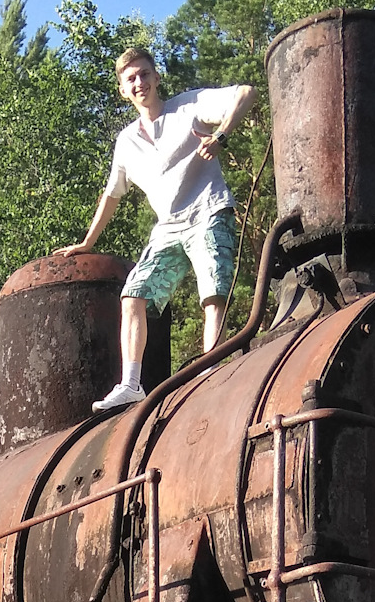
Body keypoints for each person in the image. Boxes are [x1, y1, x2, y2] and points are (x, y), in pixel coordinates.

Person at [57, 46, 257, 412]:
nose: (139, 83)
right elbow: (112, 194)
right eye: (130, 79)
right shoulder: (126, 142)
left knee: (212, 292)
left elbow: (245, 92)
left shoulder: (189, 107)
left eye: (144, 74)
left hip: (208, 211)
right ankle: (131, 384)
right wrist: (88, 241)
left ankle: (209, 369)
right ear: (122, 89)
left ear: (156, 77)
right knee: (132, 296)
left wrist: (222, 135)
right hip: (169, 227)